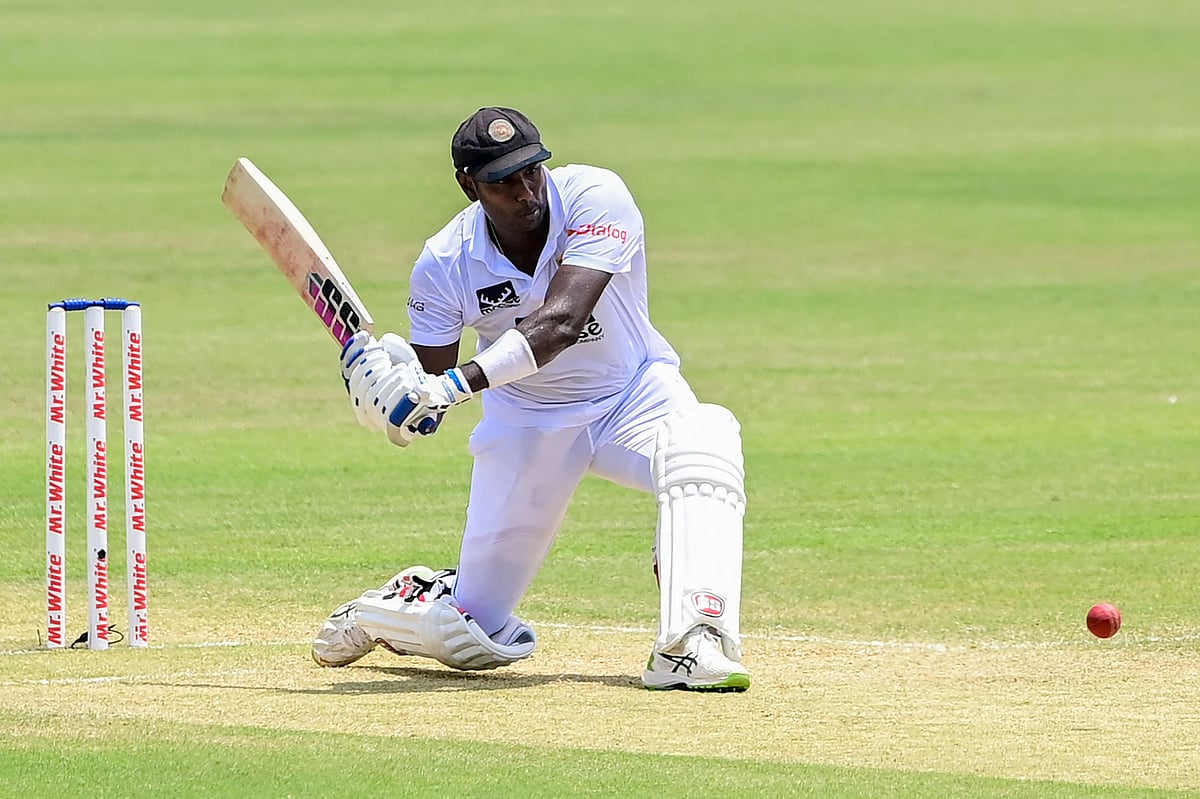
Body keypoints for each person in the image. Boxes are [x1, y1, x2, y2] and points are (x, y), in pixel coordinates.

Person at [311, 107, 749, 691]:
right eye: (502, 182)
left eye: (531, 172)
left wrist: (454, 384)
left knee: (706, 443)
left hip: (634, 394)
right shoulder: (443, 263)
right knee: (472, 636)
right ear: (469, 186)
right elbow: (428, 400)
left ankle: (691, 644)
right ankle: (399, 604)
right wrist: (389, 403)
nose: (525, 193)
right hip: (527, 423)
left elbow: (562, 321)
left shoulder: (597, 196)